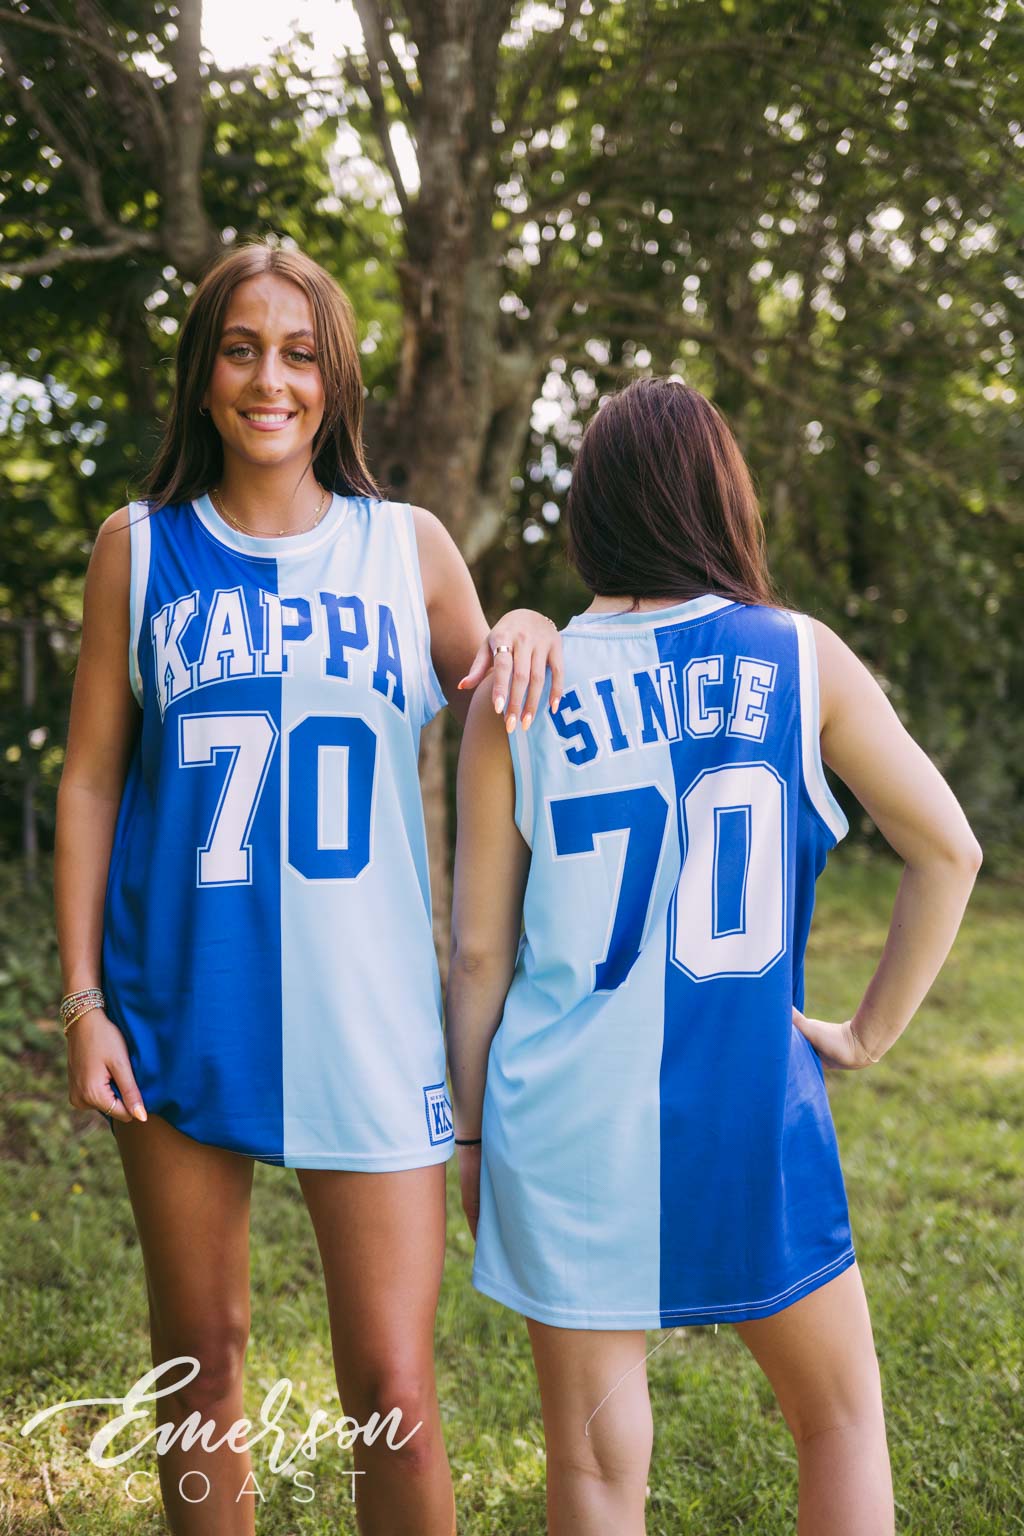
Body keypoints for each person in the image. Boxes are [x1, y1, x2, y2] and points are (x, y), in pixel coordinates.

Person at [54, 240, 564, 1536]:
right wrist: (83, 1002)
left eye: (297, 354)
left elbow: (508, 709)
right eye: (240, 350)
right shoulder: (139, 549)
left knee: (393, 1388)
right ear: (203, 374)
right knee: (200, 1368)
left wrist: (525, 625)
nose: (267, 380)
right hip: (178, 1006)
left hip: (370, 1018)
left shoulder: (409, 548)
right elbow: (93, 783)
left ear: (334, 381)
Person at [447, 377, 982, 1536]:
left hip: (564, 1121)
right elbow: (948, 850)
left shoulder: (521, 685)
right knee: (837, 1424)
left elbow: (478, 956)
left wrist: (473, 1141)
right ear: (723, 500)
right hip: (749, 1106)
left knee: (594, 1469)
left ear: (590, 510)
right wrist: (864, 1035)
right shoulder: (798, 654)